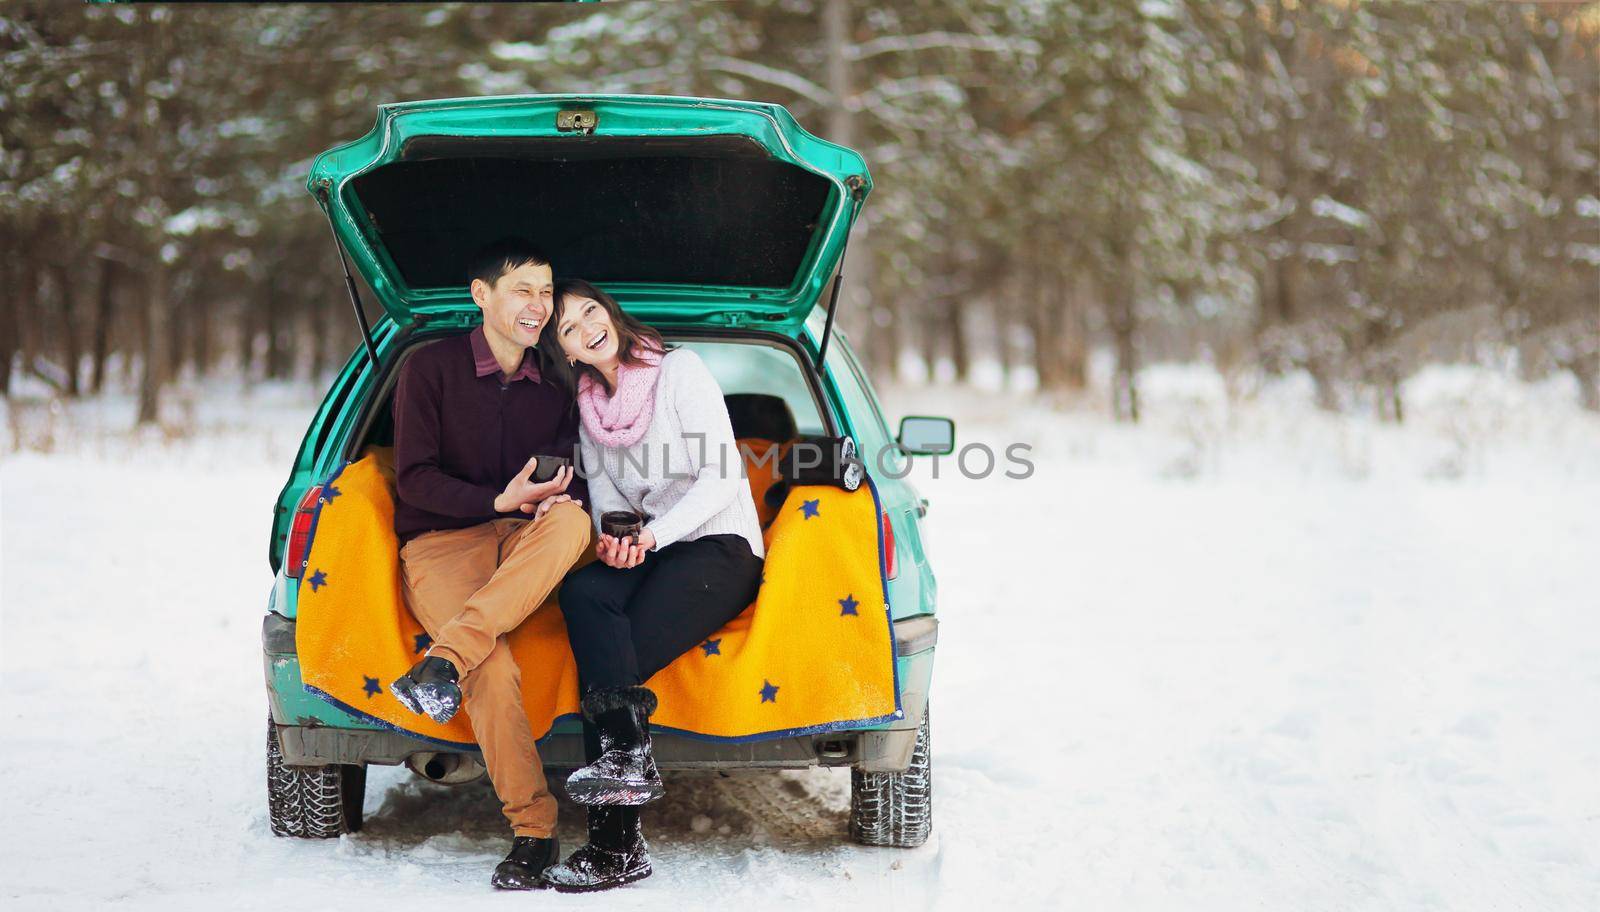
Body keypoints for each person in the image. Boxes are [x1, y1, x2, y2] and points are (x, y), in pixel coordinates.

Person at [537, 279, 765, 892]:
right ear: (568, 352)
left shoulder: (680, 372)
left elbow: (720, 479)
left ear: (608, 312)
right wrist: (617, 541)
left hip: (720, 547)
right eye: (568, 327)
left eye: (589, 310)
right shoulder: (588, 408)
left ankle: (615, 848)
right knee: (584, 595)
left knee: (609, 657)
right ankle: (628, 760)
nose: (586, 326)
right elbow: (611, 500)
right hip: (656, 548)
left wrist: (653, 538)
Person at [386, 238, 592, 890]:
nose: (539, 305)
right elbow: (413, 479)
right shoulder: (428, 368)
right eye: (523, 290)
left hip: (529, 539)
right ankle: (534, 832)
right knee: (493, 668)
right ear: (481, 295)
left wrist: (547, 496)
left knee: (574, 519)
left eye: (546, 291)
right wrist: (494, 498)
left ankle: (443, 659)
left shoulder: (559, 380)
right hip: (444, 542)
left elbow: (572, 475)